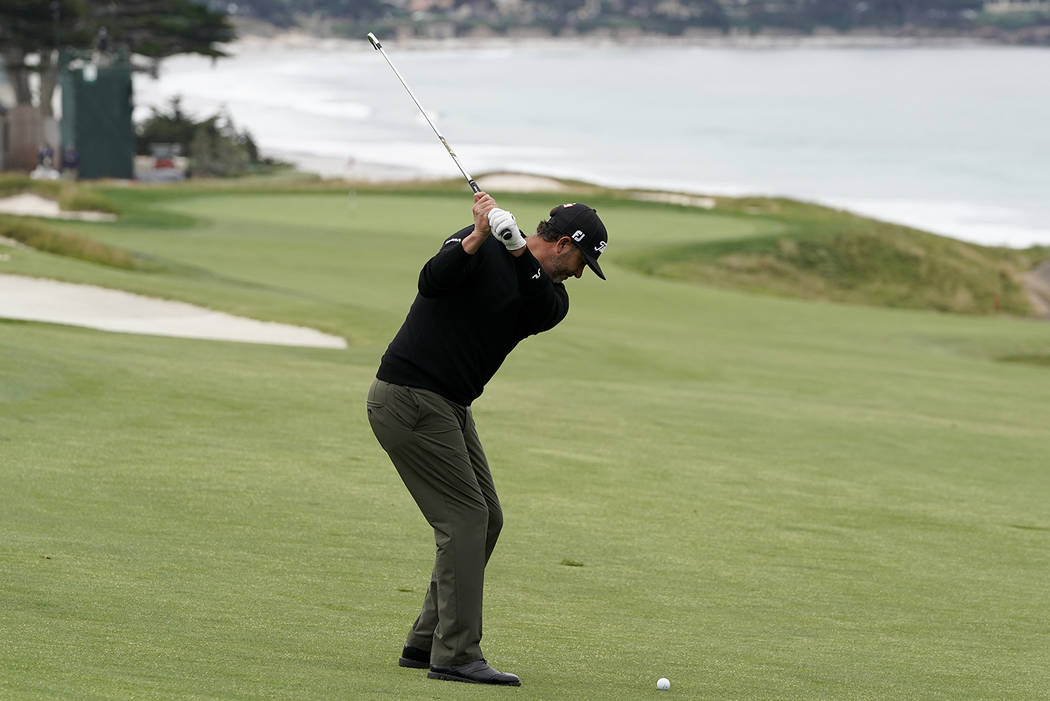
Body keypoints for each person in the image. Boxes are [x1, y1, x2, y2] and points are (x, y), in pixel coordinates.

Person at [367, 192, 608, 686]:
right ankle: (455, 655)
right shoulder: (475, 245)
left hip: (448, 404)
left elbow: (534, 301)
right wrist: (477, 237)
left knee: (487, 518)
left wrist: (518, 249)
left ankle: (425, 640)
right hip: (409, 396)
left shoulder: (552, 299)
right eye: (583, 261)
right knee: (464, 517)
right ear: (564, 244)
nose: (581, 274)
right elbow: (431, 282)